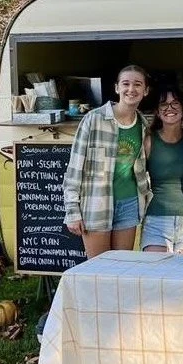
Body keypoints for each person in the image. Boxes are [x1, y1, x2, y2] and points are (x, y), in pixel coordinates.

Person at [63, 64, 151, 258]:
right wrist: (72, 211)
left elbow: (140, 168)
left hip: (129, 203)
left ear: (145, 90)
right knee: (99, 268)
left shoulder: (143, 124)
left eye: (137, 84)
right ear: (117, 88)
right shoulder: (93, 120)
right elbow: (75, 168)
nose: (131, 89)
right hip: (96, 203)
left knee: (121, 267)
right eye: (126, 84)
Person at [141, 82, 183, 253]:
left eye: (175, 103)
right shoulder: (149, 140)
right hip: (156, 220)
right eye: (164, 104)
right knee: (154, 274)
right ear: (157, 111)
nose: (169, 108)